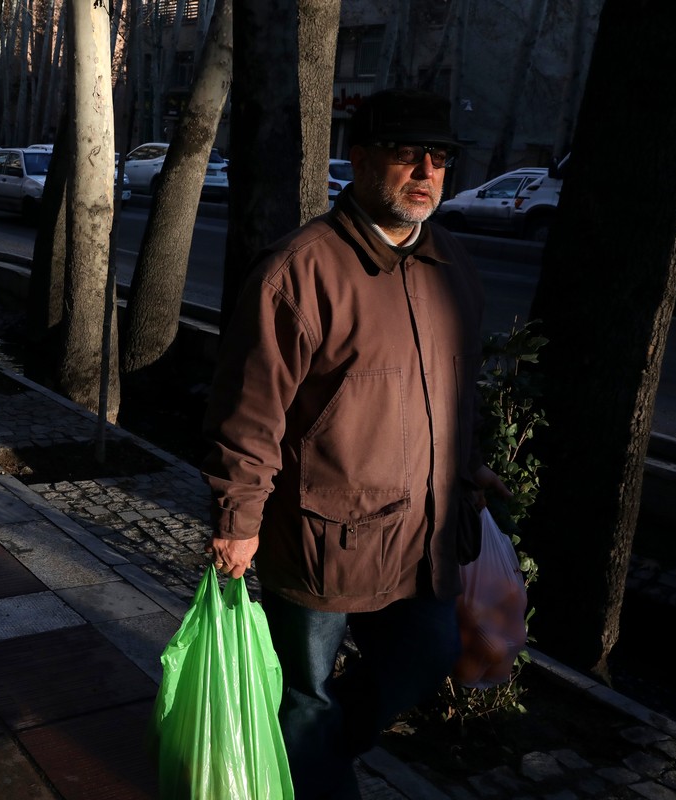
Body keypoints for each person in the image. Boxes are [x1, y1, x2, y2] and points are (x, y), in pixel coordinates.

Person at [201, 87, 510, 799]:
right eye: (408, 157)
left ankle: (324, 754)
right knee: (304, 699)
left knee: (428, 655)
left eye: (441, 159)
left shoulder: (452, 267)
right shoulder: (300, 271)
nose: (427, 173)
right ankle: (319, 778)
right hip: (322, 538)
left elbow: (452, 391)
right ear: (361, 159)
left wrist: (470, 465)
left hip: (423, 534)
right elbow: (250, 412)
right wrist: (236, 520)